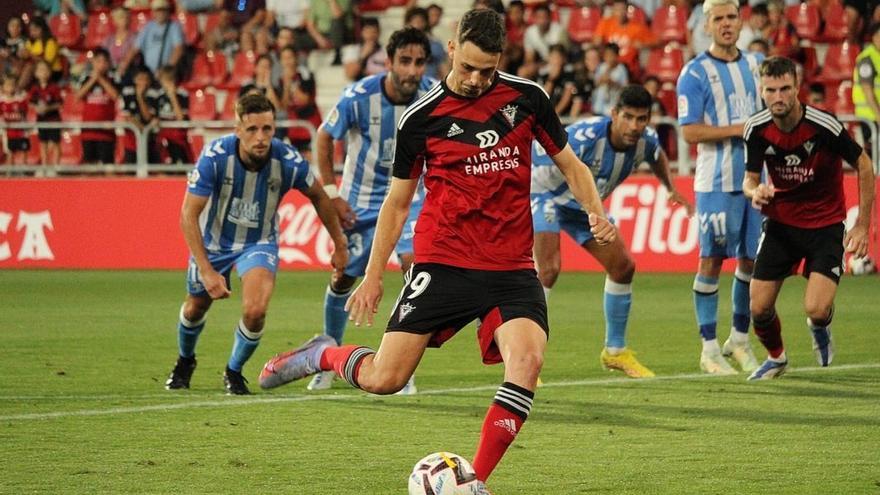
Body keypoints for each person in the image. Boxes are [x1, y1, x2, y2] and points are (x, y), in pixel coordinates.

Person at [259, 9, 614, 487]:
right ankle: (322, 354)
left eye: (486, 70)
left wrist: (596, 210)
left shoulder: (528, 99)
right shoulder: (421, 118)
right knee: (386, 378)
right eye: (467, 67)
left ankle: (475, 482)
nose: (475, 79)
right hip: (444, 260)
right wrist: (373, 275)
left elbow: (571, 165)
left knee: (527, 362)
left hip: (510, 266)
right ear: (451, 47)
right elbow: (399, 202)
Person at [164, 93, 347, 395]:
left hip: (259, 242)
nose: (260, 138)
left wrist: (339, 243)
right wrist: (207, 271)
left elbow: (318, 196)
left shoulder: (286, 160)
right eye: (252, 130)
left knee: (255, 310)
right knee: (196, 307)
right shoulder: (214, 156)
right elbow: (188, 215)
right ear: (238, 130)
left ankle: (233, 371)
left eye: (267, 129)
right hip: (214, 241)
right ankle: (185, 360)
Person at [303, 27, 436, 394]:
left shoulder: (432, 96)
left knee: (415, 267)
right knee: (345, 276)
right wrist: (332, 193)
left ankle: (401, 366)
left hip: (410, 199)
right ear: (389, 62)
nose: (412, 70)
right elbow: (324, 136)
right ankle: (328, 354)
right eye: (405, 61)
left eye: (419, 62)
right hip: (360, 201)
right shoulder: (359, 96)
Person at [532, 85, 693, 379]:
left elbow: (657, 157)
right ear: (614, 114)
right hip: (544, 195)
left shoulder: (646, 141)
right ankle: (525, 355)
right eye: (628, 117)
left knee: (622, 267)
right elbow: (536, 153)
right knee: (549, 269)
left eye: (641, 119)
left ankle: (615, 352)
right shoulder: (585, 137)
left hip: (585, 208)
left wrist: (669, 187)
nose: (634, 126)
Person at [742, 56, 875, 379]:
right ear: (761, 90)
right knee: (758, 308)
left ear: (797, 87)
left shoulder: (824, 125)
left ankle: (820, 327)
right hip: (781, 225)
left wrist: (861, 226)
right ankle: (777, 358)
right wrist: (754, 191)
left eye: (785, 88)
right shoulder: (756, 129)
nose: (778, 97)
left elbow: (865, 165)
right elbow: (749, 178)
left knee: (816, 308)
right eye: (770, 90)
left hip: (825, 225)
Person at [677, 0, 764, 375]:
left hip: (754, 180)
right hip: (715, 181)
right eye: (719, 19)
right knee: (711, 260)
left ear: (741, 21)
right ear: (707, 26)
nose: (726, 24)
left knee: (751, 260)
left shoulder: (756, 65)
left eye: (732, 17)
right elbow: (689, 130)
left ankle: (740, 341)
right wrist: (739, 128)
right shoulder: (694, 73)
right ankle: (709, 349)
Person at [75, 47, 119, 165]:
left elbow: (115, 96)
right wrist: (93, 79)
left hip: (106, 131)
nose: (101, 65)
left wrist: (100, 79)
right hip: (88, 130)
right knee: (89, 164)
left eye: (104, 61)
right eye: (98, 61)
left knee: (107, 164)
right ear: (93, 62)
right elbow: (78, 96)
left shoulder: (112, 79)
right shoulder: (86, 78)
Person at [28, 59, 62, 166]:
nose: (43, 72)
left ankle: (56, 166)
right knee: (43, 143)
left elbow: (60, 103)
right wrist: (37, 108)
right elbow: (30, 103)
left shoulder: (54, 87)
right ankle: (44, 166)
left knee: (56, 143)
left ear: (50, 72)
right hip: (41, 121)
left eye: (45, 70)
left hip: (54, 121)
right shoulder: (34, 88)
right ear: (36, 73)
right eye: (40, 70)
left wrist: (48, 108)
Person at [0, 74, 29, 165]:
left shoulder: (20, 100)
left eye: (13, 85)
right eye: (8, 85)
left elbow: (25, 113)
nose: (11, 87)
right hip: (8, 133)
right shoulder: (1, 101)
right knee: (10, 153)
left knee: (24, 151)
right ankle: (10, 174)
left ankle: (24, 172)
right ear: (3, 87)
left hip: (21, 132)